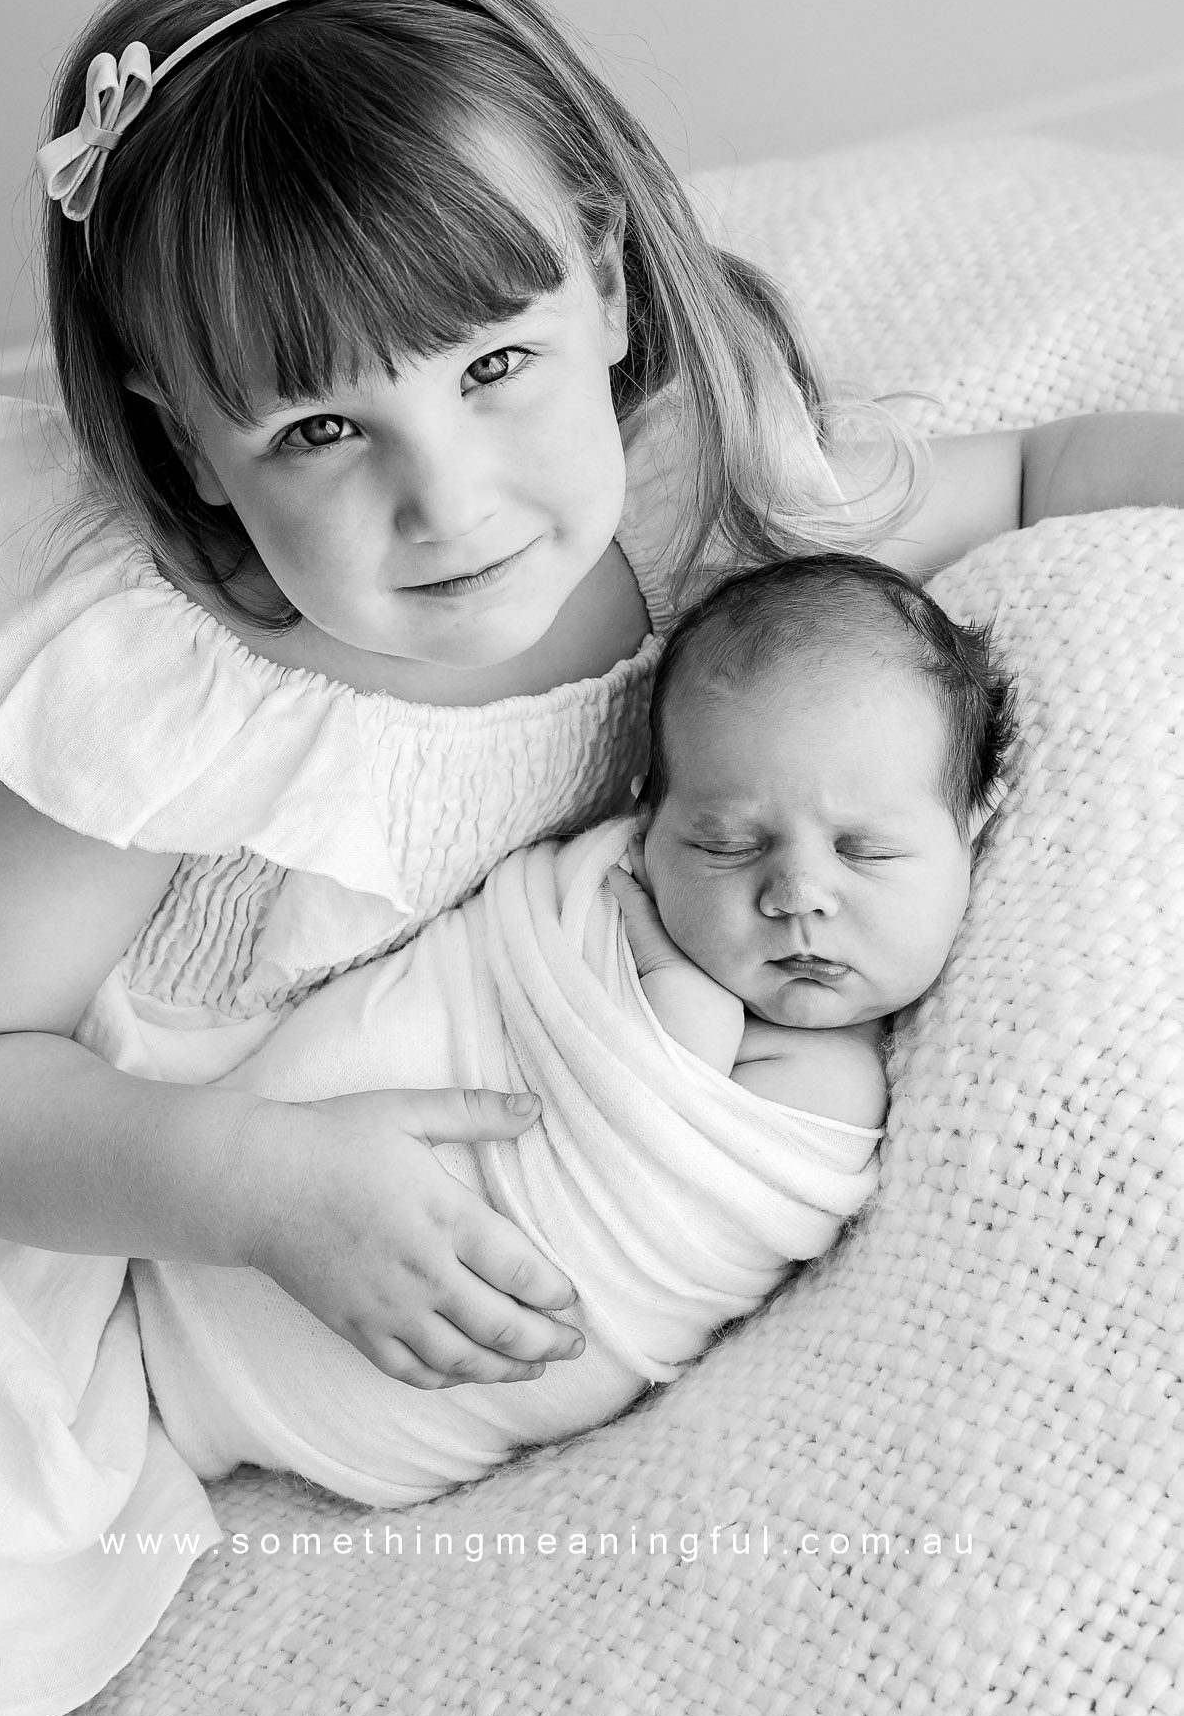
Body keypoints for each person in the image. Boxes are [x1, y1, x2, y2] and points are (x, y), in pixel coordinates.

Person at [0, 0, 1178, 1716]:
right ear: (178, 433)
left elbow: (1024, 471)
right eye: (314, 428)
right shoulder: (162, 689)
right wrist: (244, 1181)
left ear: (604, 283)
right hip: (34, 1098)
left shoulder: (687, 484)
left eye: (489, 366)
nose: (444, 499)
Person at [118, 552, 1012, 1510]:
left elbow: (669, 1169)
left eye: (864, 849)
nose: (795, 896)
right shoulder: (592, 901)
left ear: (971, 826)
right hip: (202, 1218)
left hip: (352, 1405)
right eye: (725, 843)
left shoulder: (853, 1088)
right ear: (643, 823)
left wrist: (676, 996)